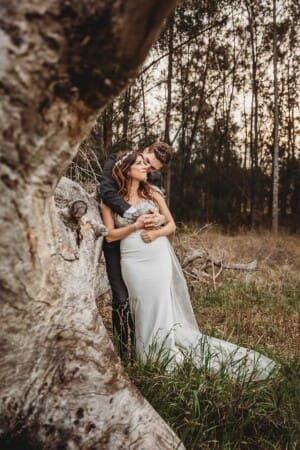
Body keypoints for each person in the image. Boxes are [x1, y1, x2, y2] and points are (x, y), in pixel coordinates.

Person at [101, 151, 277, 380]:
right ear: (127, 170)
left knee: (161, 305)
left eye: (147, 165)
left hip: (157, 258)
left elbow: (172, 225)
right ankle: (144, 353)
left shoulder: (152, 194)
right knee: (141, 306)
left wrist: (156, 233)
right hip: (133, 261)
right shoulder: (110, 200)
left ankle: (161, 353)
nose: (147, 168)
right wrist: (136, 226)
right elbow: (110, 236)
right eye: (141, 164)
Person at [99, 142, 173, 360]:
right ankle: (123, 353)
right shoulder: (116, 162)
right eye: (145, 163)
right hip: (118, 248)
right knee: (122, 298)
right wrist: (133, 217)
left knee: (145, 301)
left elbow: (163, 212)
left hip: (152, 254)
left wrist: (158, 219)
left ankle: (146, 347)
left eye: (152, 169)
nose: (147, 170)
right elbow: (106, 192)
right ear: (145, 151)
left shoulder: (151, 181)